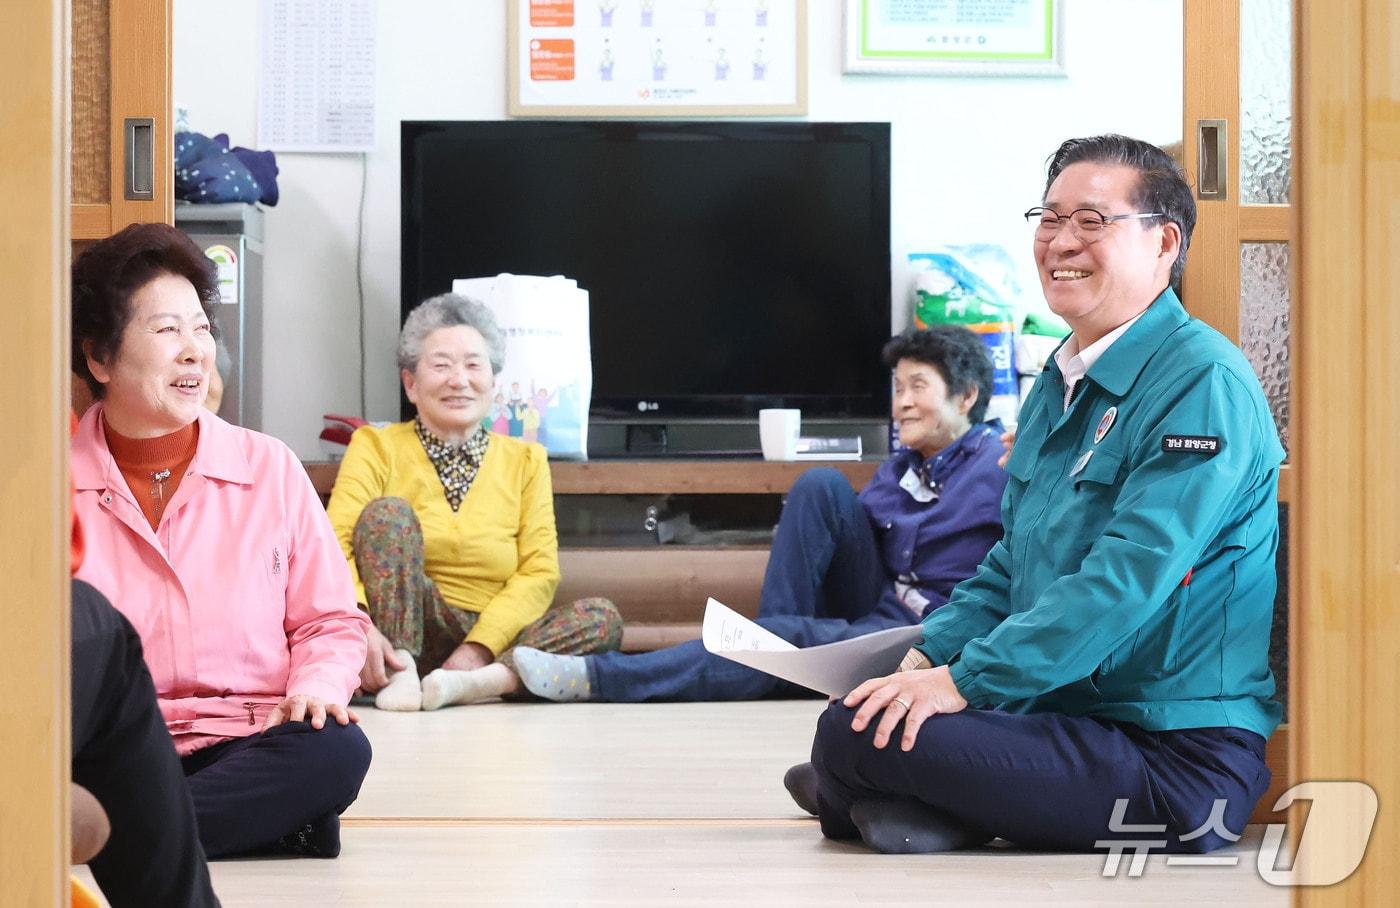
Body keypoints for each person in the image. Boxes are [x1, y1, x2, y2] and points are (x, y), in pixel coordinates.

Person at [797, 135, 1283, 856]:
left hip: (1174, 757)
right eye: (1049, 219)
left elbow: (1126, 580)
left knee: (851, 737)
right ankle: (901, 803)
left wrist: (965, 681)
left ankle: (882, 799)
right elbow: (1009, 568)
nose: (1062, 241)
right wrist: (926, 659)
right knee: (865, 708)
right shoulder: (1065, 381)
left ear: (1163, 243)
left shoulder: (1201, 383)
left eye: (1092, 221)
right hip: (1067, 719)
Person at [70, 223, 371, 860]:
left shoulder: (271, 467)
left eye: (201, 328)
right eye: (166, 330)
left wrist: (317, 687)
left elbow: (331, 624)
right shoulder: (44, 484)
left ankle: (111, 840)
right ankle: (247, 827)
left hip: (248, 740)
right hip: (110, 750)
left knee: (335, 747)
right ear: (99, 356)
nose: (195, 351)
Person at [511, 326, 1008, 704]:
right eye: (896, 388)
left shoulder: (1003, 464)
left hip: (927, 631)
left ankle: (601, 678)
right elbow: (839, 541)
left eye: (917, 387)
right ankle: (769, 657)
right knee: (820, 485)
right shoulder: (901, 468)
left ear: (966, 396)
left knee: (786, 639)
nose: (900, 403)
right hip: (879, 606)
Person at [326, 293, 623, 711]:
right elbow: (332, 543)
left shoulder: (525, 460)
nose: (459, 380)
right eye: (442, 364)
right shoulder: (375, 445)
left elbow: (539, 571)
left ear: (494, 381)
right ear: (411, 383)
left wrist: (478, 649)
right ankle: (404, 672)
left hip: (493, 633)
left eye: (473, 364)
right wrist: (357, 626)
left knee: (601, 618)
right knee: (387, 516)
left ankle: (477, 681)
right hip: (399, 630)